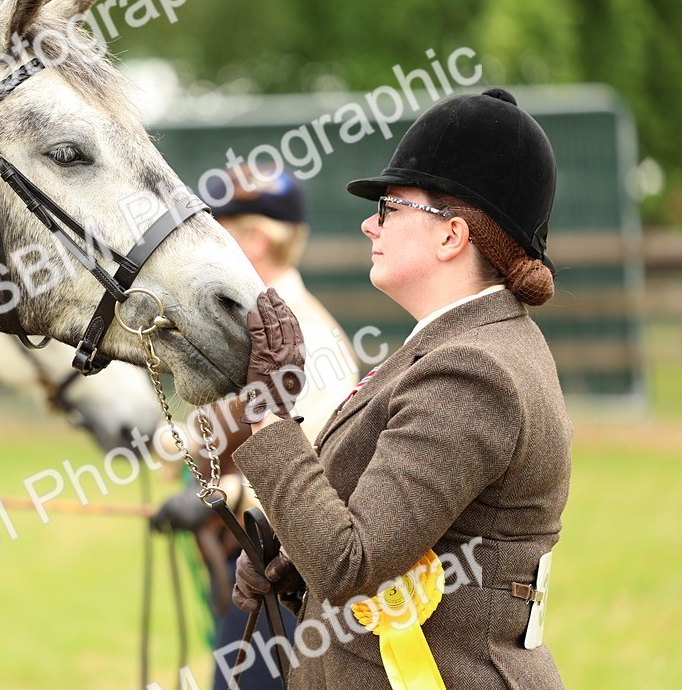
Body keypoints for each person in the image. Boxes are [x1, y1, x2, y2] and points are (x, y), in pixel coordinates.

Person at [231, 88, 572, 689]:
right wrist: (294, 558)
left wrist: (266, 411)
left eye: (389, 207)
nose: (370, 223)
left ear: (452, 236)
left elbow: (351, 564)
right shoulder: (458, 344)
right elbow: (378, 546)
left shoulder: (474, 368)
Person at [149, 169, 358, 690]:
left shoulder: (313, 339)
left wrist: (218, 496)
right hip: (241, 560)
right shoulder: (249, 329)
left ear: (254, 241)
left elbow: (319, 470)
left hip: (283, 571)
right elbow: (200, 432)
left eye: (216, 234)